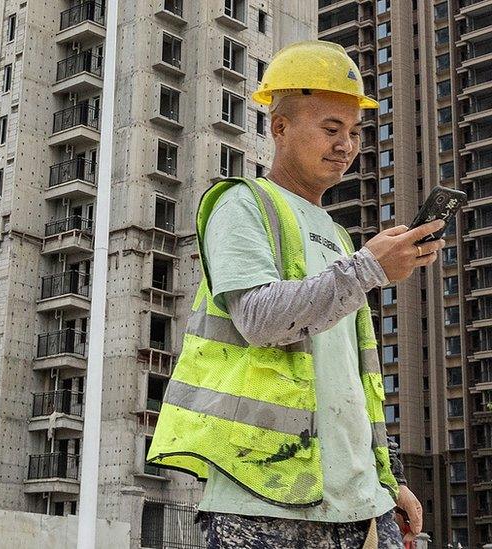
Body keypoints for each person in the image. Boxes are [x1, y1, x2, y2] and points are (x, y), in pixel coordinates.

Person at [146, 40, 435, 548]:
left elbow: (355, 383)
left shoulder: (339, 237)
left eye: (353, 132)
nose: (346, 145)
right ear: (279, 128)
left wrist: (390, 482)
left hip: (361, 503)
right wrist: (369, 268)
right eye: (330, 129)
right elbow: (259, 319)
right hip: (263, 496)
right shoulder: (242, 205)